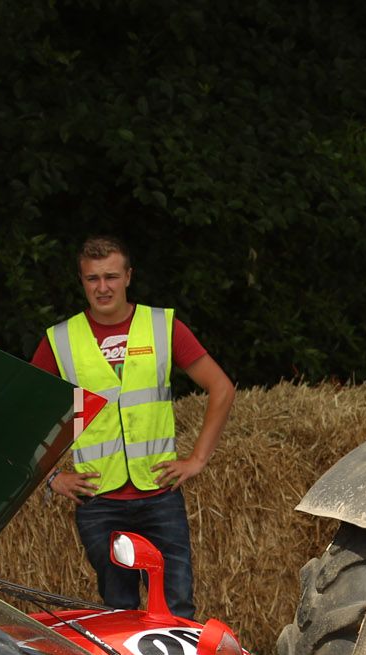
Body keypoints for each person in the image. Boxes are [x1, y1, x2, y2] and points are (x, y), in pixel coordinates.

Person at [31, 235, 234, 620]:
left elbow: (221, 388)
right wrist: (52, 477)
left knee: (177, 611)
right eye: (93, 279)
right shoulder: (60, 341)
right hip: (100, 503)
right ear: (82, 281)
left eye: (111, 276)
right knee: (118, 613)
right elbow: (24, 413)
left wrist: (198, 459)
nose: (102, 287)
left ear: (128, 276)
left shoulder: (162, 326)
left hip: (159, 494)